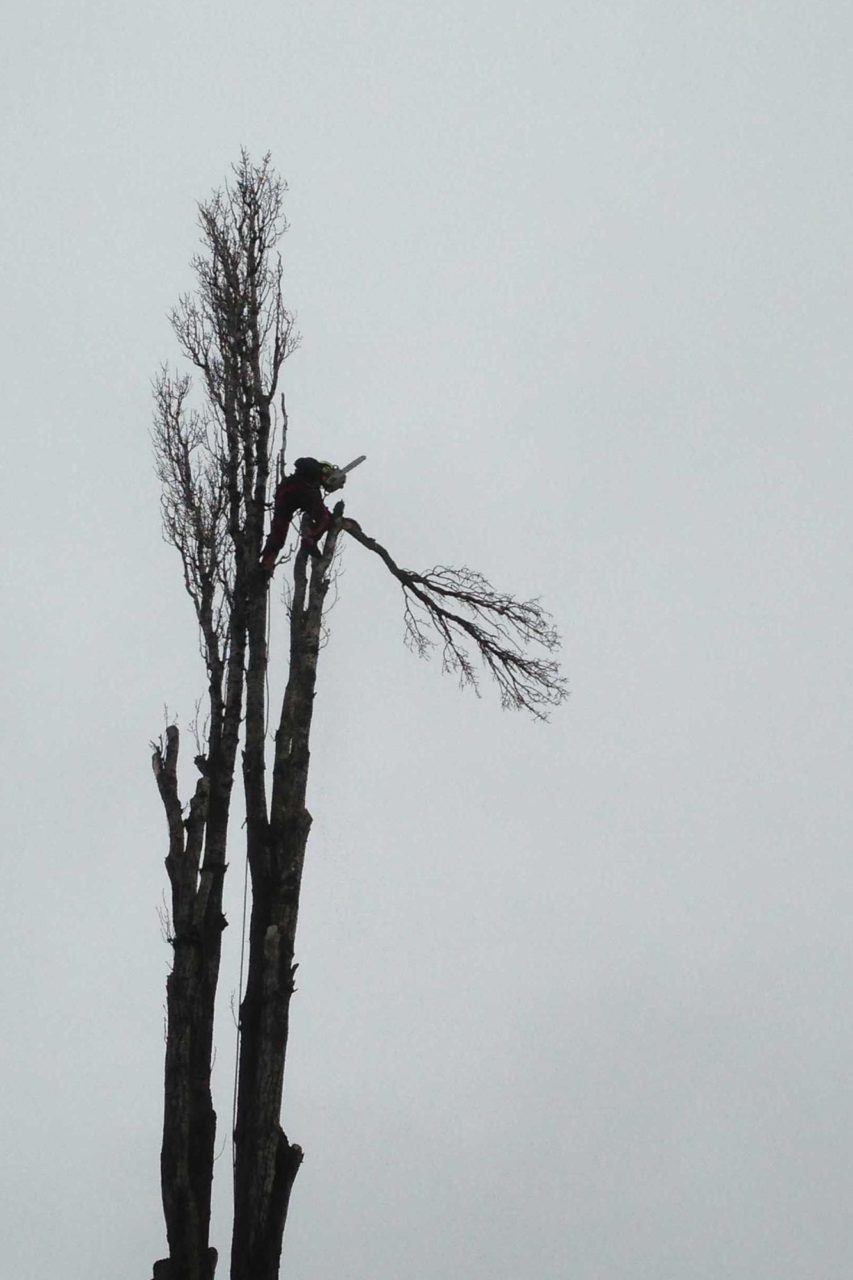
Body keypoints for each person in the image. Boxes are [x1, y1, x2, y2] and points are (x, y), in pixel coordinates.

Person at [260, 457, 341, 572]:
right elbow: (319, 507)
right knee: (323, 518)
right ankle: (310, 539)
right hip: (297, 491)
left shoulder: (308, 482)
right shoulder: (312, 474)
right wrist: (328, 517)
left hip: (284, 496)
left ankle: (267, 562)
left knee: (279, 533)